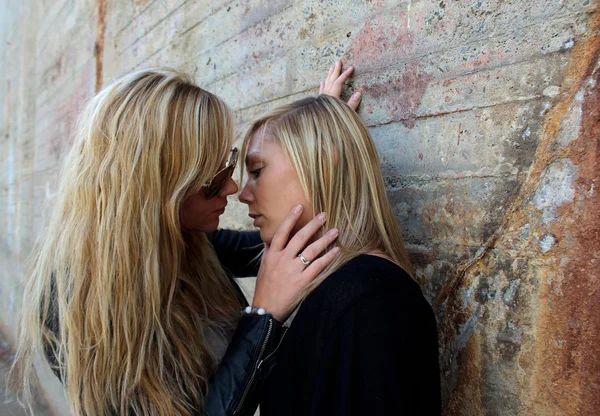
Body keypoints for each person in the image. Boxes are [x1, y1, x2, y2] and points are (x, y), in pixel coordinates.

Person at [11, 64, 359, 416]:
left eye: (231, 164)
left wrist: (311, 146)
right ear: (157, 185)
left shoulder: (184, 243)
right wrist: (262, 317)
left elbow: (282, 244)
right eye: (215, 175)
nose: (232, 187)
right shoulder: (73, 305)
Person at [239, 94, 441, 415]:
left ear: (320, 161)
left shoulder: (369, 300)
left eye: (257, 170)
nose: (242, 194)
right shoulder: (343, 288)